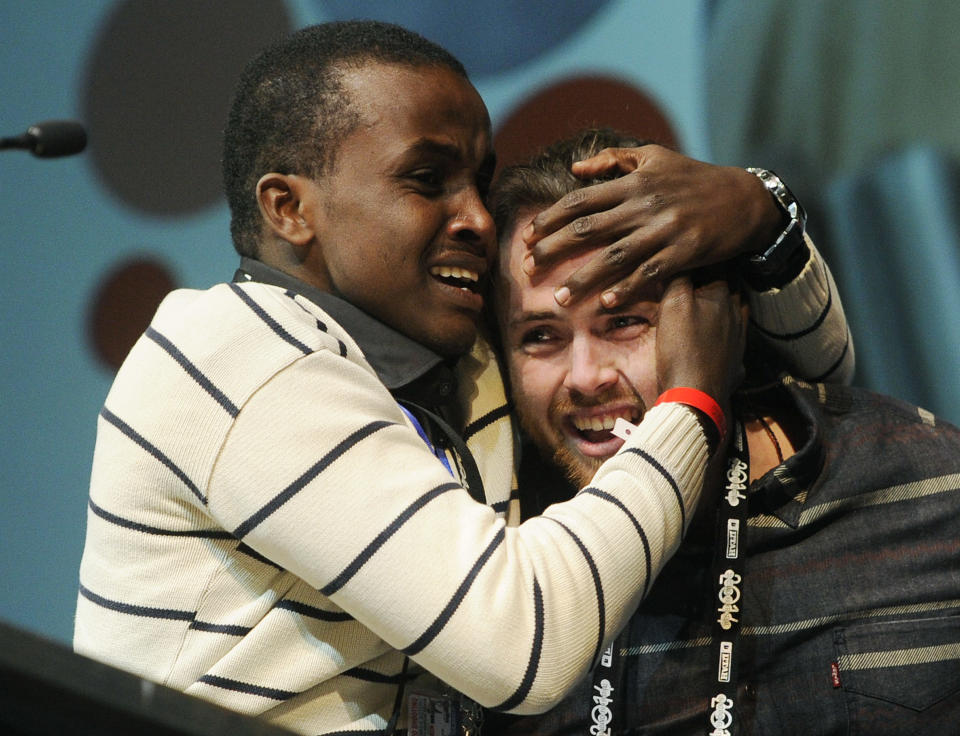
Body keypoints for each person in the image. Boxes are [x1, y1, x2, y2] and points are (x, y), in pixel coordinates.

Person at [74, 21, 850, 736]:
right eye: (427, 179)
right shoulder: (235, 354)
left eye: (479, 180)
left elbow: (823, 369)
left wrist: (757, 214)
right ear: (289, 209)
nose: (477, 216)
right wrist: (689, 403)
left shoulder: (441, 356)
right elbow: (524, 646)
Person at [488, 128, 960, 734]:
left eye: (626, 320)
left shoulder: (930, 490)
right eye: (541, 337)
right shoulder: (494, 552)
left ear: (724, 321)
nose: (583, 378)